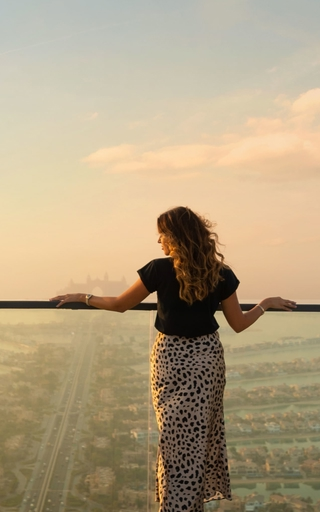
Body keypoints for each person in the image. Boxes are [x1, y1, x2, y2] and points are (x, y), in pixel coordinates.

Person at [52, 206, 296, 512]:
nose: (159, 242)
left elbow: (119, 305)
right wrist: (264, 305)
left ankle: (175, 506)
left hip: (170, 359)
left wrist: (84, 297)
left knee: (175, 440)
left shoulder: (159, 269)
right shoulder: (220, 274)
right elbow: (238, 324)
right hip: (207, 360)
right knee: (197, 438)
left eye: (162, 235)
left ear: (176, 237)